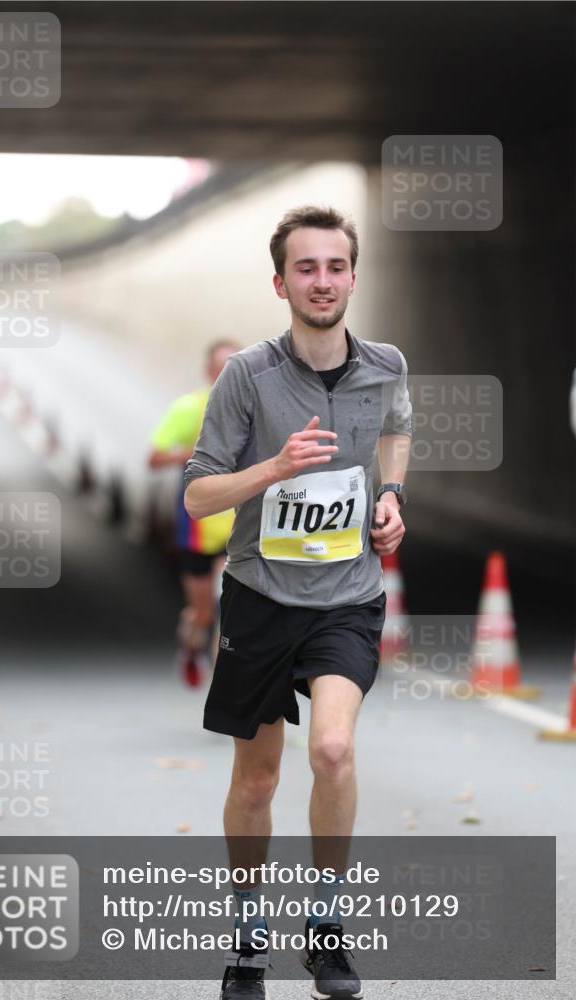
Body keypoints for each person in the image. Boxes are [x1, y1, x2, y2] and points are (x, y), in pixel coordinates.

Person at [184, 206, 412, 999]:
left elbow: (396, 429)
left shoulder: (385, 363)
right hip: (259, 597)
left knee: (333, 751)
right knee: (255, 780)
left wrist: (389, 496)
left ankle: (325, 927)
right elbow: (196, 496)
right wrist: (272, 469)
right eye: (306, 268)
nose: (323, 281)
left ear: (353, 275)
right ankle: (248, 937)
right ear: (281, 282)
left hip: (345, 598)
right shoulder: (246, 375)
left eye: (336, 266)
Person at [149, 340, 240, 686]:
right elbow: (154, 458)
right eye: (220, 368)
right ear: (208, 372)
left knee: (229, 613)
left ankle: (224, 689)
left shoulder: (253, 407)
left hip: (238, 530)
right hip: (197, 529)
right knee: (202, 614)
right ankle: (189, 647)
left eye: (234, 367)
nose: (226, 375)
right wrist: (192, 454)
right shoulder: (189, 408)